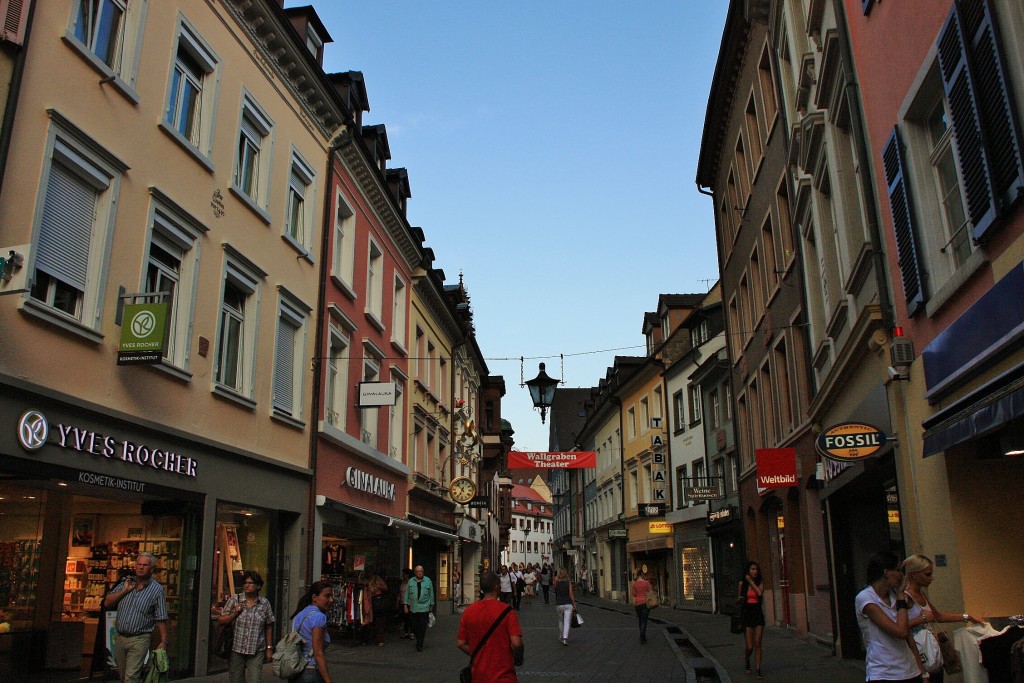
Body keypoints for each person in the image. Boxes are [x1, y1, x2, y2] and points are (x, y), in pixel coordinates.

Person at [901, 554, 983, 682]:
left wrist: (967, 617)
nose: (931, 578)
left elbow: (937, 615)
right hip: (917, 656)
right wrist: (922, 618)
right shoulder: (905, 597)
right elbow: (899, 626)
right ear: (914, 574)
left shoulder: (921, 594)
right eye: (927, 574)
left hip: (932, 653)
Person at [856, 551, 922, 683]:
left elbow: (909, 635)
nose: (900, 575)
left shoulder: (894, 595)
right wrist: (901, 596)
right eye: (898, 570)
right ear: (886, 572)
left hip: (910, 670)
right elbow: (901, 631)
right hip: (884, 672)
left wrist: (922, 671)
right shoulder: (866, 598)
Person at [104, 552, 169, 683]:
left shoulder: (156, 590)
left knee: (131, 677)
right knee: (123, 676)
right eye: (139, 564)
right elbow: (107, 602)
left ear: (151, 569)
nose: (141, 567)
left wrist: (164, 641)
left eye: (145, 565)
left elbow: (161, 617)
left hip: (140, 638)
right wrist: (125, 591)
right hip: (120, 637)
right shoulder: (125, 582)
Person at [456, 571, 524, 682]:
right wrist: (518, 659)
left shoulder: (468, 612)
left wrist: (478, 654)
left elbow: (460, 643)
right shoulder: (507, 611)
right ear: (497, 586)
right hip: (504, 675)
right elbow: (516, 643)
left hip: (479, 675)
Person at [217, 570, 275, 683]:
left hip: (256, 649)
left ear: (258, 586)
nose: (247, 585)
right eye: (245, 583)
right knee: (236, 679)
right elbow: (221, 620)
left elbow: (269, 625)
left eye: (250, 583)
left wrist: (269, 648)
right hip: (236, 648)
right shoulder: (235, 600)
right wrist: (235, 613)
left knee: (255, 679)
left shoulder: (264, 603)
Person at [290, 581, 334, 683]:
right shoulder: (318, 617)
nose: (331, 600)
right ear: (314, 597)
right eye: (327, 596)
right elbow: (318, 652)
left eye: (331, 596)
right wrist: (328, 680)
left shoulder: (299, 614)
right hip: (310, 671)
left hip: (296, 669)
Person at [737, 561, 765, 679]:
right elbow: (739, 599)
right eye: (752, 569)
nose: (755, 571)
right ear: (748, 570)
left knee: (758, 642)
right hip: (747, 615)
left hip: (758, 614)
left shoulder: (760, 582)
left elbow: (759, 593)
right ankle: (747, 659)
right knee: (750, 646)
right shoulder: (742, 584)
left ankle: (758, 669)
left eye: (756, 569)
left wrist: (750, 581)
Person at [403, 565, 436, 652]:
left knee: (422, 627)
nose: (419, 572)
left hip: (424, 608)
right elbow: (407, 594)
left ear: (423, 572)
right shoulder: (411, 581)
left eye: (421, 571)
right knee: (414, 627)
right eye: (417, 571)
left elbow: (431, 593)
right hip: (413, 608)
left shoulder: (427, 580)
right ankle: (418, 639)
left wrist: (432, 605)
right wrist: (405, 605)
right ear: (415, 573)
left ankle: (419, 644)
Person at [552, 567, 576, 646]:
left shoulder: (556, 582)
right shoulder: (568, 582)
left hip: (559, 604)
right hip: (568, 604)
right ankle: (565, 638)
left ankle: (561, 636)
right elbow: (571, 594)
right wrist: (574, 604)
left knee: (560, 621)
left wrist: (555, 580)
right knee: (567, 621)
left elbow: (555, 590)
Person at [366, 572, 388, 647]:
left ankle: (379, 639)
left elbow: (385, 587)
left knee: (379, 621)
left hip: (377, 601)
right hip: (371, 601)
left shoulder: (377, 579)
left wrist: (377, 586)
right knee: (374, 621)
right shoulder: (368, 581)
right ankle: (375, 638)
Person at [631, 570, 652, 644]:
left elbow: (634, 594)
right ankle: (642, 634)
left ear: (637, 575)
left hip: (637, 604)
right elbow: (650, 592)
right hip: (645, 603)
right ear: (642, 574)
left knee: (640, 620)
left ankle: (642, 636)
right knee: (644, 620)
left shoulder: (634, 584)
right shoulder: (646, 583)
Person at [398, 569, 413, 639]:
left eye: (404, 574)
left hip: (409, 603)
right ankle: (406, 632)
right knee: (405, 618)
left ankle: (412, 632)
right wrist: (398, 600)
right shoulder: (403, 582)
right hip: (402, 602)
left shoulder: (411, 582)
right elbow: (400, 592)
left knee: (410, 618)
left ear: (407, 574)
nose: (402, 575)